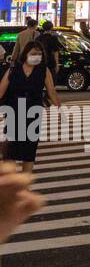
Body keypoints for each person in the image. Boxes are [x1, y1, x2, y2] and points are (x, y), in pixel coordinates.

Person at [0, 41, 61, 172]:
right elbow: (1, 91)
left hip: (33, 112)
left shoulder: (44, 70)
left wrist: (59, 108)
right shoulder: (13, 69)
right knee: (11, 148)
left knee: (29, 148)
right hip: (14, 110)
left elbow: (51, 91)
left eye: (39, 54)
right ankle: (11, 183)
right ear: (25, 54)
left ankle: (25, 181)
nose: (37, 56)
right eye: (33, 53)